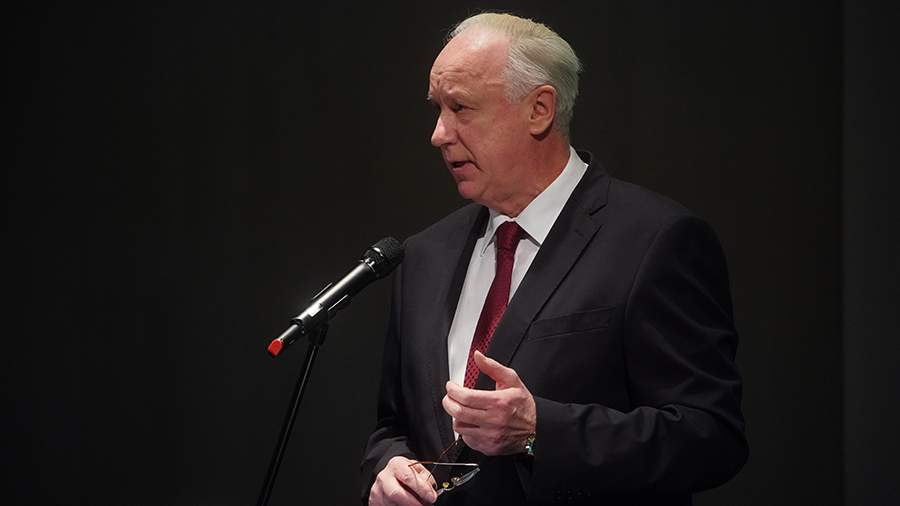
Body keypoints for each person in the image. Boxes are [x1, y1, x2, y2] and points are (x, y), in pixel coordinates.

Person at [362, 12, 747, 506]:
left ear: (539, 110)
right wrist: (389, 466)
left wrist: (540, 431)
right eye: (438, 109)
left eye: (460, 107)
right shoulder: (425, 254)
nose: (439, 134)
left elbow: (710, 436)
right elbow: (394, 424)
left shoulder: (655, 240)